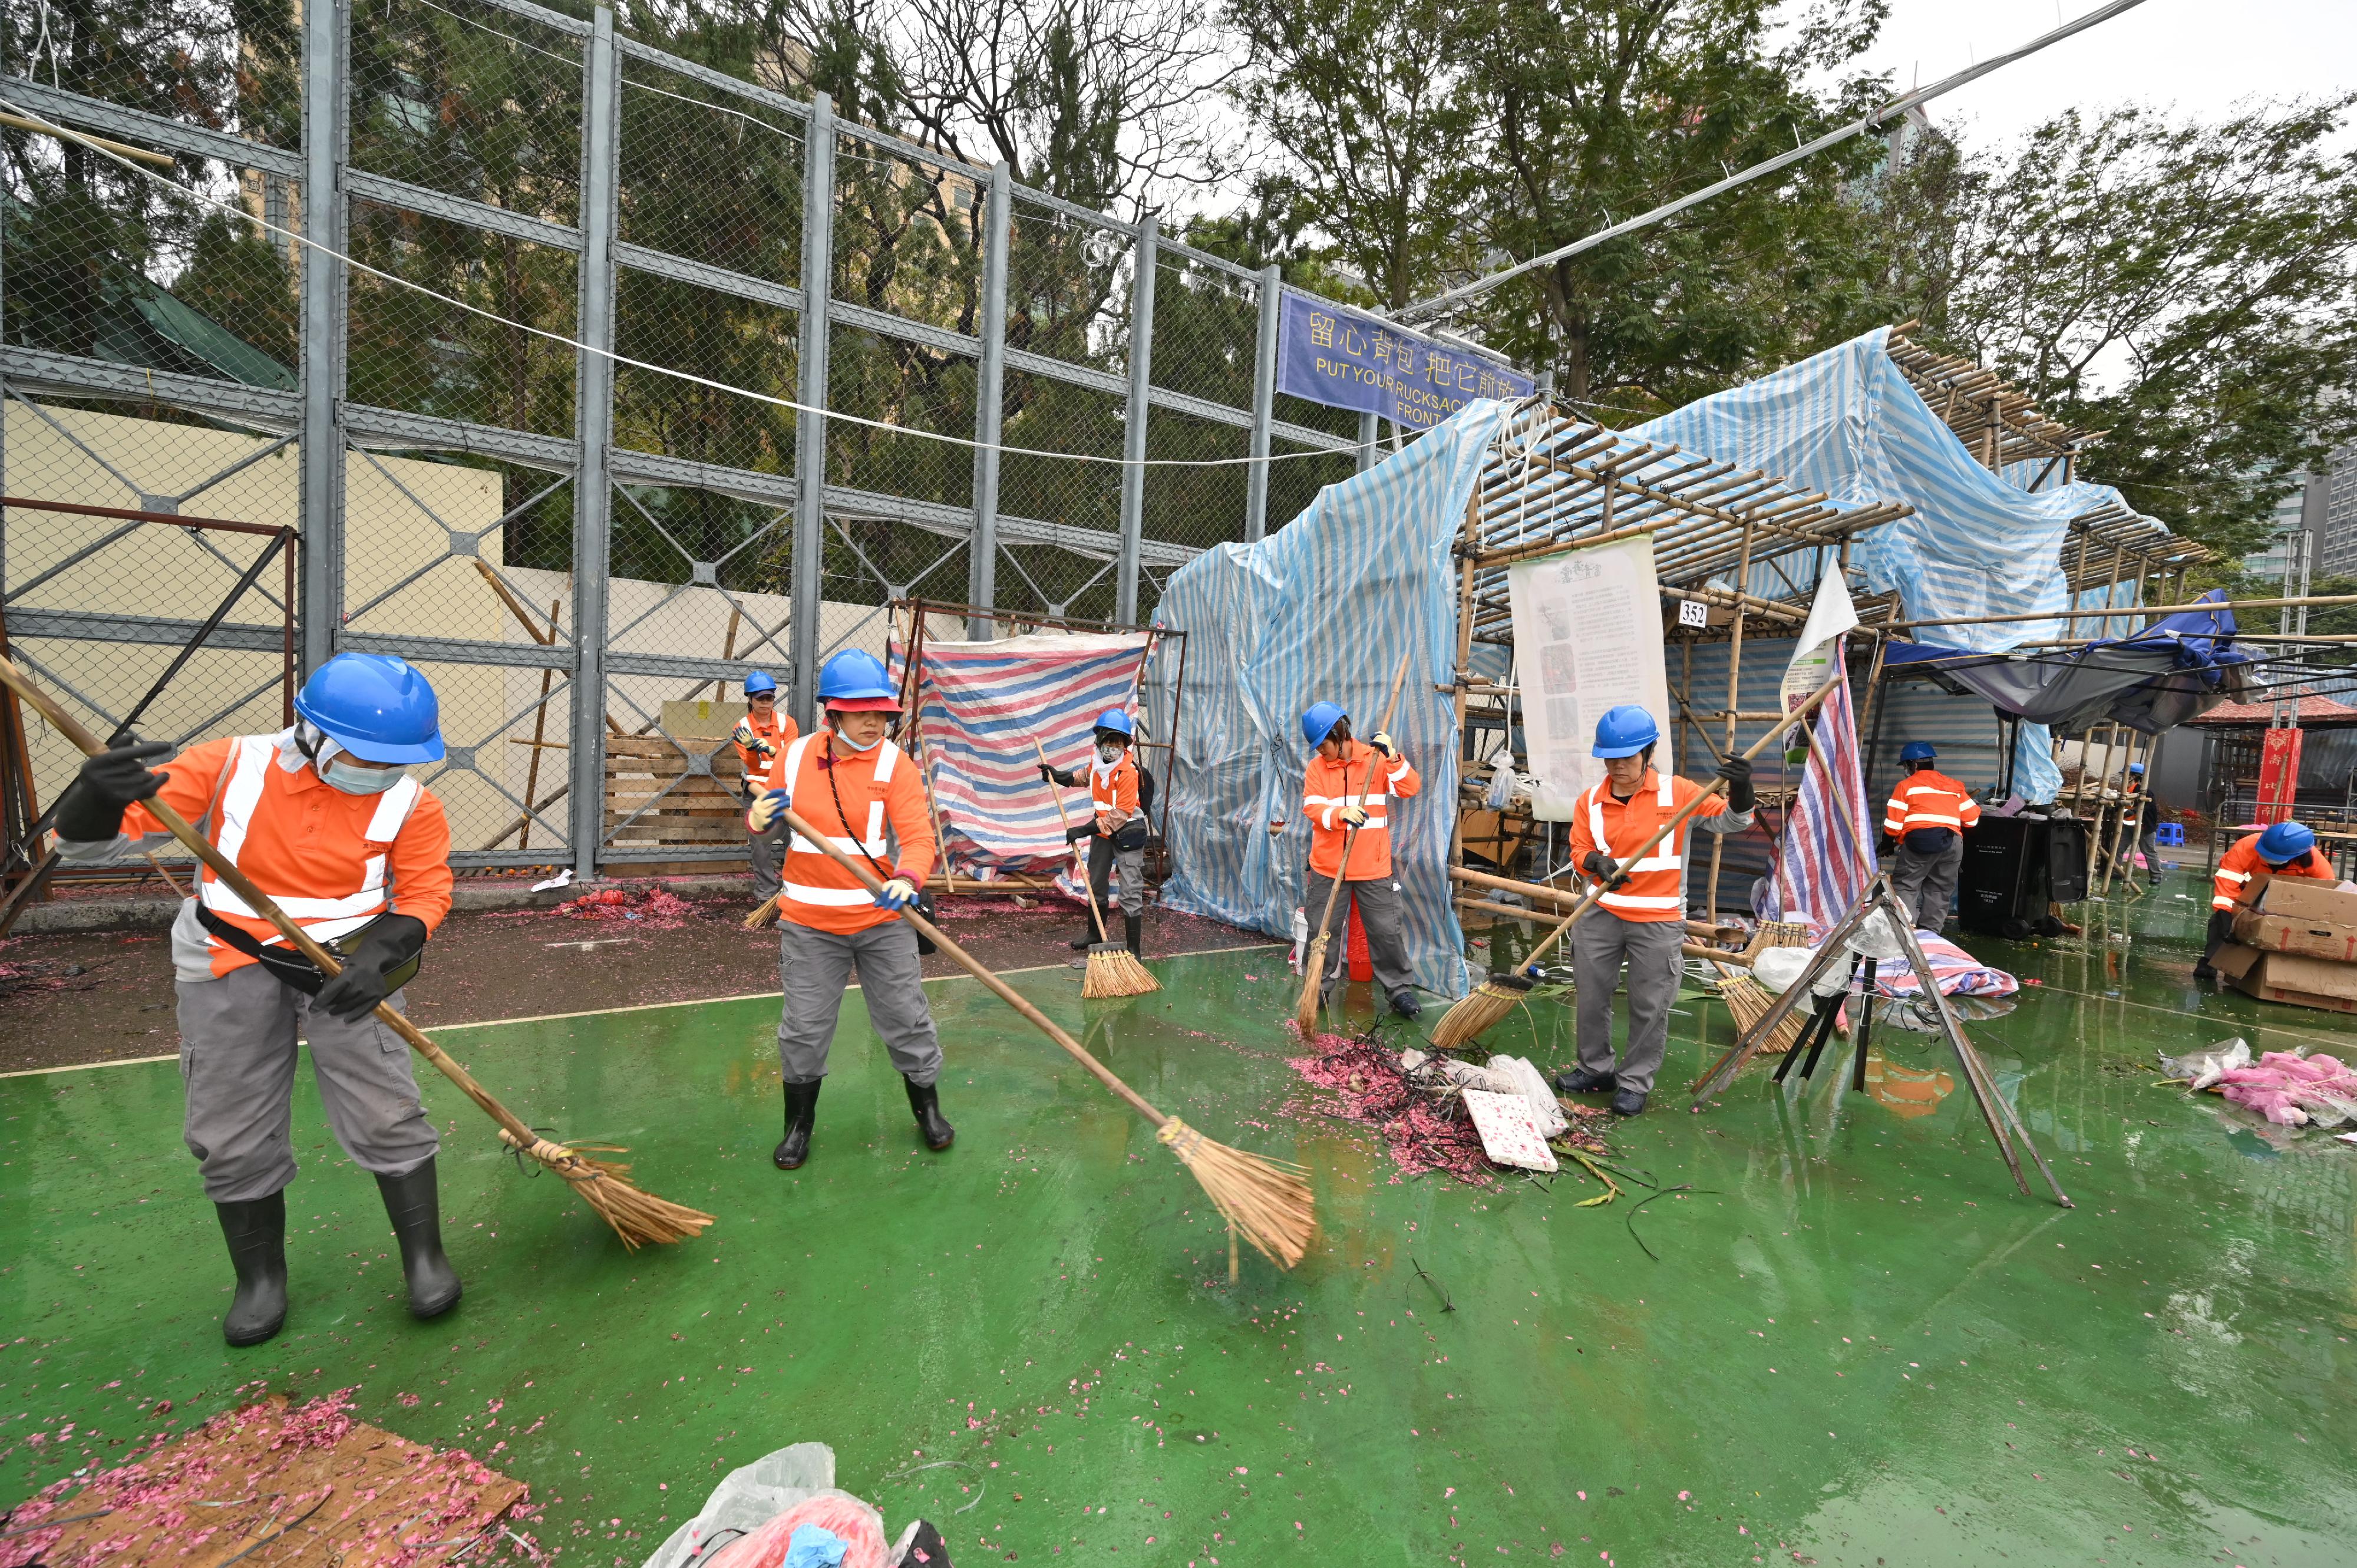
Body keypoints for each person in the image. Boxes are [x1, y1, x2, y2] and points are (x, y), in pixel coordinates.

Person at [48, 653, 458, 1346]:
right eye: (367, 756)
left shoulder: (411, 801)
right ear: (312, 733)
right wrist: (94, 796)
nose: (381, 771)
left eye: (396, 760)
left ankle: (426, 1256)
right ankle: (260, 1280)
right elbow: (84, 848)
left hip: (345, 966)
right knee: (229, 1121)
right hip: (228, 955)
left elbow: (425, 891)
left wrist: (381, 954)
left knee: (387, 1105)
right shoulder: (228, 765)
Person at [746, 649, 953, 1168]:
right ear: (831, 713)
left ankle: (927, 1108)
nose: (873, 721)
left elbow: (918, 837)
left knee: (908, 1020)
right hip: (809, 924)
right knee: (804, 1029)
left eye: (880, 711)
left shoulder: (894, 764)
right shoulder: (793, 757)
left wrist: (908, 878)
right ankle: (798, 1126)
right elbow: (770, 822)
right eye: (860, 711)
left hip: (882, 920)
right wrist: (759, 817)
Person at [1551, 705, 1752, 1117]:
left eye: (1627, 757)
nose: (1618, 766)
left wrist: (1743, 787)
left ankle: (1634, 1081)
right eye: (1610, 757)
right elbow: (1578, 849)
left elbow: (1735, 820)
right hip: (1599, 913)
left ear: (1649, 751)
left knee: (1649, 1003)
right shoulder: (1590, 800)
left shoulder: (1678, 794)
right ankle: (1595, 1068)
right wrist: (1595, 863)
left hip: (1658, 919)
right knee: (1591, 995)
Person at [1269, 701, 1423, 1018]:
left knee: (1385, 930)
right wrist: (1341, 814)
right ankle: (1320, 987)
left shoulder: (1376, 760)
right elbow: (1313, 808)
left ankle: (1398, 990)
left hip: (1373, 867)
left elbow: (1410, 788)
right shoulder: (1317, 768)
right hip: (1328, 867)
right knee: (1321, 932)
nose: (1319, 752)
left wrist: (1393, 758)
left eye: (1322, 744)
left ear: (1338, 734)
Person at [1038, 708, 1151, 958]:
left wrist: (1082, 829)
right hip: (1102, 833)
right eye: (1109, 740)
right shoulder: (1097, 764)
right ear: (1099, 741)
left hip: (1127, 835)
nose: (1113, 746)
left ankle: (1134, 948)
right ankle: (1095, 933)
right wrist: (1056, 776)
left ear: (1125, 745)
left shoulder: (1128, 772)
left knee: (1130, 889)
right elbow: (1081, 778)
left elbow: (1120, 814)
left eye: (1118, 742)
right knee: (1096, 882)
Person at [2195, 820, 2334, 979]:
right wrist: (2225, 915)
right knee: (2219, 922)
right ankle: (2209, 961)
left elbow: (2326, 897)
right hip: (2248, 892)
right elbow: (2227, 884)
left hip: (2289, 901)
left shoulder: (2316, 864)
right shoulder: (2245, 847)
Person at [1879, 741, 1980, 930]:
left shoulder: (1906, 786)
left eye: (1906, 766)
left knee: (1907, 885)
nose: (1906, 770)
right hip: (1952, 843)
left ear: (1914, 765)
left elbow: (1893, 825)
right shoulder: (1954, 786)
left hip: (1920, 841)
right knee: (1940, 889)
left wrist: (1886, 842)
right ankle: (1931, 935)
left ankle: (1905, 931)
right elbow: (1973, 819)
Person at [732, 671, 798, 905]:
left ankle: (795, 889)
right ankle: (766, 895)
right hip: (757, 792)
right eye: (760, 698)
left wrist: (771, 750)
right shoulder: (741, 728)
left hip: (786, 789)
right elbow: (753, 766)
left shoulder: (786, 723)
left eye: (769, 698)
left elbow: (792, 757)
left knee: (798, 840)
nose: (765, 703)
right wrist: (752, 749)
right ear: (749, 699)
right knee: (760, 845)